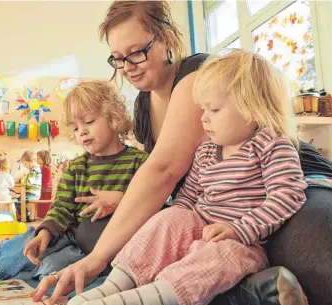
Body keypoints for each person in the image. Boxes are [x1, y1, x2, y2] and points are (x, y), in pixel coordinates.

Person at [31, 2, 332, 305]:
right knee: (152, 228)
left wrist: (96, 259)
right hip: (212, 222)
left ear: (167, 39)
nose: (128, 66)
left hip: (293, 191)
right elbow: (182, 197)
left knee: (307, 260)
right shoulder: (155, 117)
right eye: (118, 58)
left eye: (136, 52)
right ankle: (114, 290)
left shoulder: (201, 77)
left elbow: (164, 170)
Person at [69, 50, 308, 305]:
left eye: (214, 109)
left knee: (218, 257)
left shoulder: (271, 144)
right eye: (202, 108)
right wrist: (173, 231)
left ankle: (138, 299)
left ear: (252, 109)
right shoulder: (206, 150)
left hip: (242, 243)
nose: (203, 117)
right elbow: (187, 198)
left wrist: (239, 229)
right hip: (198, 232)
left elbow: (288, 194)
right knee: (171, 216)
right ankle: (113, 287)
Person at [0, 80, 148, 282]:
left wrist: (123, 199)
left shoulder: (140, 163)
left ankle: (28, 266)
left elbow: (160, 204)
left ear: (113, 117)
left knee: (52, 271)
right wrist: (46, 231)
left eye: (89, 122)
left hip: (106, 251)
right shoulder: (76, 167)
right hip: (71, 237)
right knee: (31, 241)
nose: (81, 131)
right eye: (75, 127)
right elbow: (61, 208)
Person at [37, 150, 53, 218]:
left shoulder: (46, 169)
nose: (36, 160)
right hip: (42, 190)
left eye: (38, 158)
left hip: (45, 192)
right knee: (40, 207)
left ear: (44, 159)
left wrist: (39, 188)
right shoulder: (40, 168)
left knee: (44, 207)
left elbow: (45, 182)